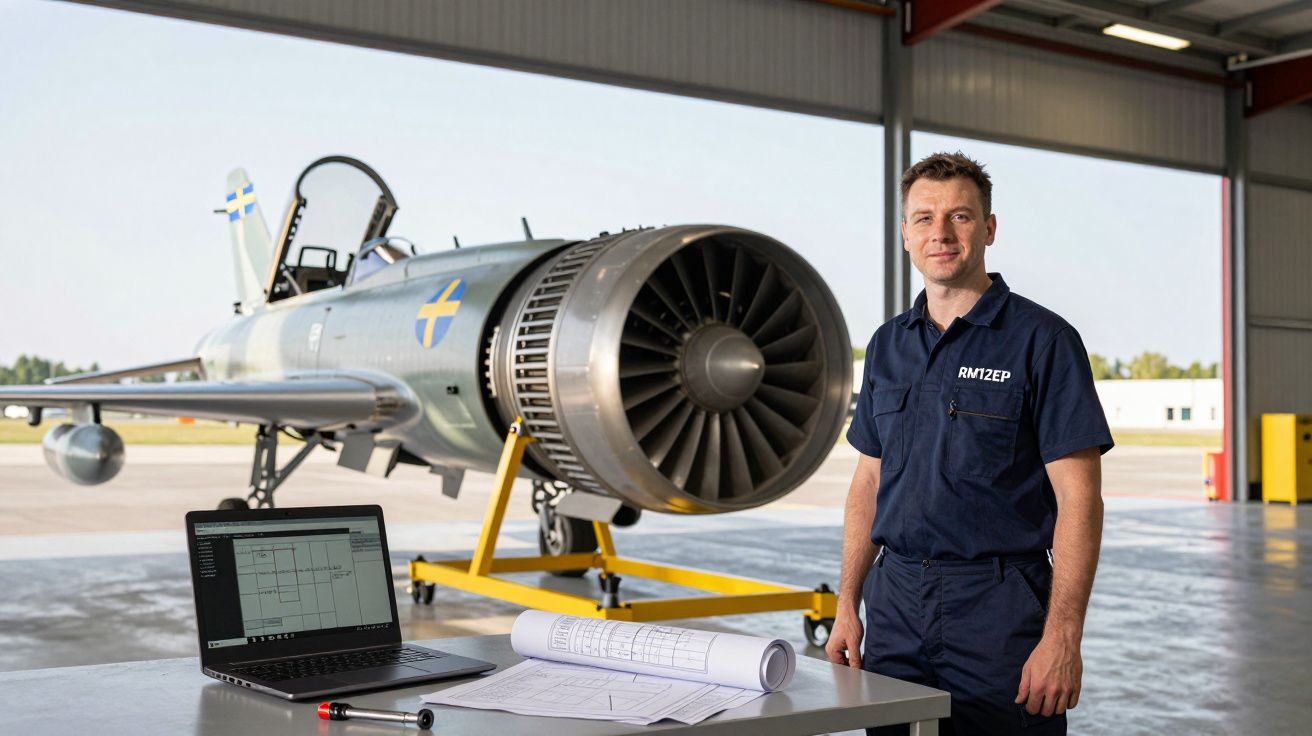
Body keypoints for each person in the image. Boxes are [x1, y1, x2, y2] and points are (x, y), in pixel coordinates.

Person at [824, 152, 1112, 735]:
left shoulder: (1043, 341)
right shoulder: (887, 345)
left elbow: (1080, 501)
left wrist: (1062, 637)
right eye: (925, 218)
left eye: (960, 216)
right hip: (896, 603)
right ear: (905, 233)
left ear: (989, 228)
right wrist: (846, 605)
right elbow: (869, 483)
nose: (942, 233)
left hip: (999, 610)